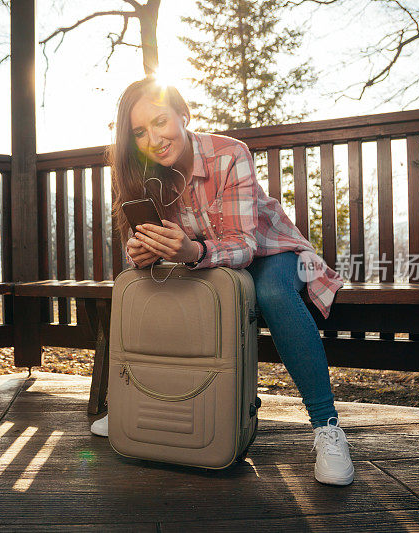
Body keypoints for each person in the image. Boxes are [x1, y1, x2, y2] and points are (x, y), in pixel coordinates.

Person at [90, 76, 354, 487]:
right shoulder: (144, 172)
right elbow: (153, 241)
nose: (154, 139)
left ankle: (327, 427)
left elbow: (245, 246)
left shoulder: (228, 154)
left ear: (183, 114)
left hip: (271, 251)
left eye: (160, 121)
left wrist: (193, 252)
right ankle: (137, 402)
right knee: (152, 285)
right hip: (207, 264)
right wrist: (142, 252)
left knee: (268, 291)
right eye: (139, 132)